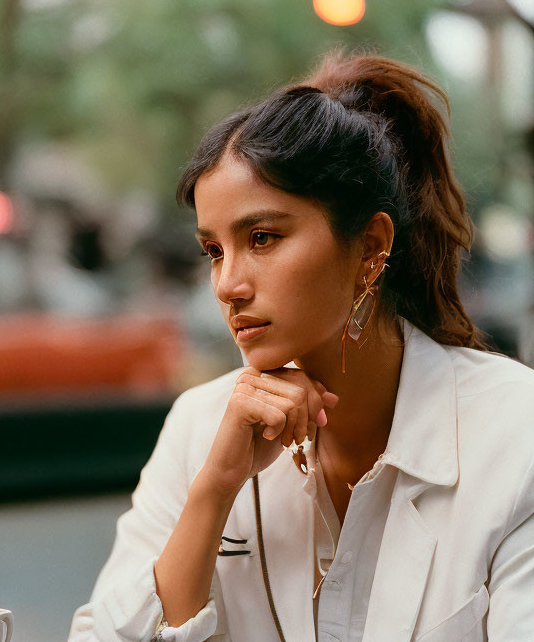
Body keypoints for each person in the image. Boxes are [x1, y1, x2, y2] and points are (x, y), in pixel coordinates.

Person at [68, 49, 534, 642]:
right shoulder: (201, 429)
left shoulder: (516, 432)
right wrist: (214, 491)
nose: (227, 285)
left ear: (370, 247)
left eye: (262, 238)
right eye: (213, 250)